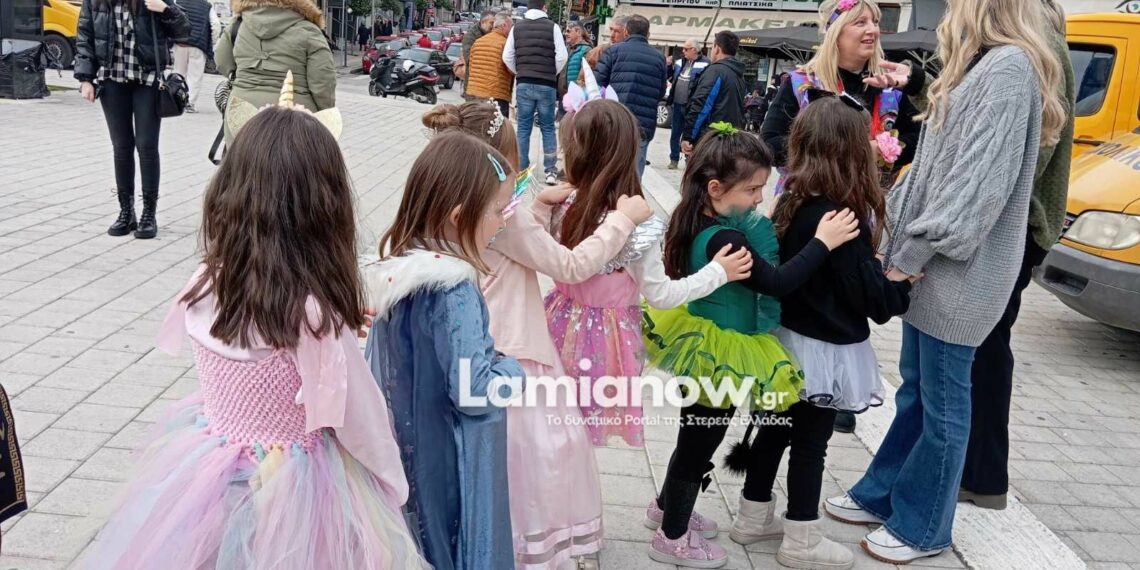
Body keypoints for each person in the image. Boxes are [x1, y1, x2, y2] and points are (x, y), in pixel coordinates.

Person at [82, 105, 426, 569]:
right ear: (324, 210)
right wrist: (391, 484)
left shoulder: (205, 281)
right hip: (298, 491)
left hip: (212, 475)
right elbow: (359, 419)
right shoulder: (310, 315)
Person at [822, 0, 1067, 563]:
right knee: (918, 391)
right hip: (937, 267)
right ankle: (883, 492)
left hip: (960, 271)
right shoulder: (982, 65)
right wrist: (887, 237)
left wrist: (906, 256)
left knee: (945, 404)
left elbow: (973, 189)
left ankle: (924, 525)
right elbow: (930, 171)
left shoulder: (1008, 69)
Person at [421, 101, 647, 570]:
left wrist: (539, 207)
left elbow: (516, 251)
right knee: (534, 460)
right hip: (514, 352)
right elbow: (569, 265)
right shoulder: (502, 210)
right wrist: (621, 221)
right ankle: (520, 545)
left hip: (469, 343)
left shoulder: (447, 197)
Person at [640, 125, 860, 568]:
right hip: (718, 353)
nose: (760, 199)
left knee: (694, 435)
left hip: (704, 342)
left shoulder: (703, 217)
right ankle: (672, 538)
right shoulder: (728, 239)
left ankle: (666, 508)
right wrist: (823, 242)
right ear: (715, 188)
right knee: (700, 442)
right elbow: (776, 282)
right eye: (753, 189)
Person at [721, 96, 914, 570]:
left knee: (772, 432)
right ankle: (801, 539)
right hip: (823, 352)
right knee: (811, 444)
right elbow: (868, 297)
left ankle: (752, 517)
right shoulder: (841, 217)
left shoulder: (792, 201)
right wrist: (899, 285)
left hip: (785, 339)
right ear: (850, 150)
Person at [544, 99, 753, 449]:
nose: (563, 156)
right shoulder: (634, 221)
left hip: (555, 325)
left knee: (555, 424)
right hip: (603, 342)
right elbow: (661, 295)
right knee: (578, 434)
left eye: (567, 148)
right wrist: (718, 272)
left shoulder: (562, 202)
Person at [759, 0, 926, 435]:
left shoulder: (890, 87)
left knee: (849, 287)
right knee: (806, 285)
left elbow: (918, 136)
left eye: (876, 22)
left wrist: (889, 148)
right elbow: (770, 139)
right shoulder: (802, 83)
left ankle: (833, 390)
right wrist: (826, 156)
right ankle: (795, 378)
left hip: (864, 206)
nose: (872, 30)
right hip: (806, 205)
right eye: (860, 22)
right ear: (836, 31)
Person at [366, 131, 526, 570]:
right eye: (498, 210)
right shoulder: (455, 288)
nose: (503, 222)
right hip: (451, 459)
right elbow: (473, 392)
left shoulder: (400, 275)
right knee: (452, 548)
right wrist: (513, 372)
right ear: (459, 216)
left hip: (407, 444)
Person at [959, 0, 1075, 511]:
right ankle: (978, 475)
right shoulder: (1028, 26)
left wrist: (983, 207)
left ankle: (982, 476)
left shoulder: (1033, 29)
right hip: (1014, 219)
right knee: (983, 344)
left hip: (1012, 222)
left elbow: (1039, 137)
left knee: (982, 346)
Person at [74, 0, 189, 241]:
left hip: (147, 80)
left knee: (147, 146)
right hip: (111, 79)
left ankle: (149, 214)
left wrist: (165, 10)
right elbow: (85, 34)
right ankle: (126, 211)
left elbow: (184, 31)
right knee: (121, 147)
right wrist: (85, 78)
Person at [214, 0, 335, 144]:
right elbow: (323, 83)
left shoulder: (238, 25)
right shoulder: (310, 30)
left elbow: (221, 61)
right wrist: (325, 113)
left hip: (242, 109)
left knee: (238, 157)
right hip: (295, 116)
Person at [502, 0, 568, 185]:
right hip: (546, 84)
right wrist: (551, 72)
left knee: (523, 127)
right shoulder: (553, 27)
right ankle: (550, 171)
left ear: (528, 7)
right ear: (544, 7)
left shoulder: (517, 28)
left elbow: (507, 56)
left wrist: (520, 71)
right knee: (547, 127)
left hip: (524, 82)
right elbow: (562, 56)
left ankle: (522, 168)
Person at [594, 14, 668, 178]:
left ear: (626, 31)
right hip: (643, 124)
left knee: (609, 170)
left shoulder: (613, 52)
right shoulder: (659, 58)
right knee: (635, 174)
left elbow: (597, 85)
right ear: (648, 34)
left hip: (615, 120)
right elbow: (661, 92)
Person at [681, 31, 746, 154]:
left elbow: (701, 105)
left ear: (717, 49)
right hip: (731, 138)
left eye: (712, 46)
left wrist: (688, 136)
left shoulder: (715, 71)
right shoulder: (739, 76)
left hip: (710, 139)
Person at [666, 38, 708, 169]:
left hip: (691, 106)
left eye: (686, 49)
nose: (683, 51)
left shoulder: (706, 64)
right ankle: (674, 158)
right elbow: (671, 78)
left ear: (694, 50)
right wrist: (668, 66)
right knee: (675, 133)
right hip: (677, 103)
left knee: (689, 134)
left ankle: (688, 159)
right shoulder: (679, 62)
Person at [172, 0, 219, 114]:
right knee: (195, 77)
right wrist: (211, 42)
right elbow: (216, 25)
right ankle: (190, 103)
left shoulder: (178, 1)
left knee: (178, 73)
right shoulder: (207, 6)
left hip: (180, 43)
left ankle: (176, 100)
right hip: (198, 46)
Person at [466, 13, 514, 117]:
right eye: (511, 26)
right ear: (504, 25)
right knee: (497, 125)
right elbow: (510, 69)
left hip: (474, 93)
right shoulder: (506, 44)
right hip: (496, 94)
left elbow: (470, 65)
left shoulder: (478, 42)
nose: (512, 30)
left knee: (476, 123)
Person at [460, 10, 495, 97]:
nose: (493, 26)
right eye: (491, 23)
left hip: (488, 84)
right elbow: (469, 59)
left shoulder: (491, 34)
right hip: (473, 83)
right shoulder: (471, 36)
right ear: (483, 22)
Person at [564, 20, 591, 87]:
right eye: (565, 31)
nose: (565, 34)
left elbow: (585, 76)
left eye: (568, 31)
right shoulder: (566, 50)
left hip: (576, 92)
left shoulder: (586, 50)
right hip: (565, 92)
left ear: (578, 32)